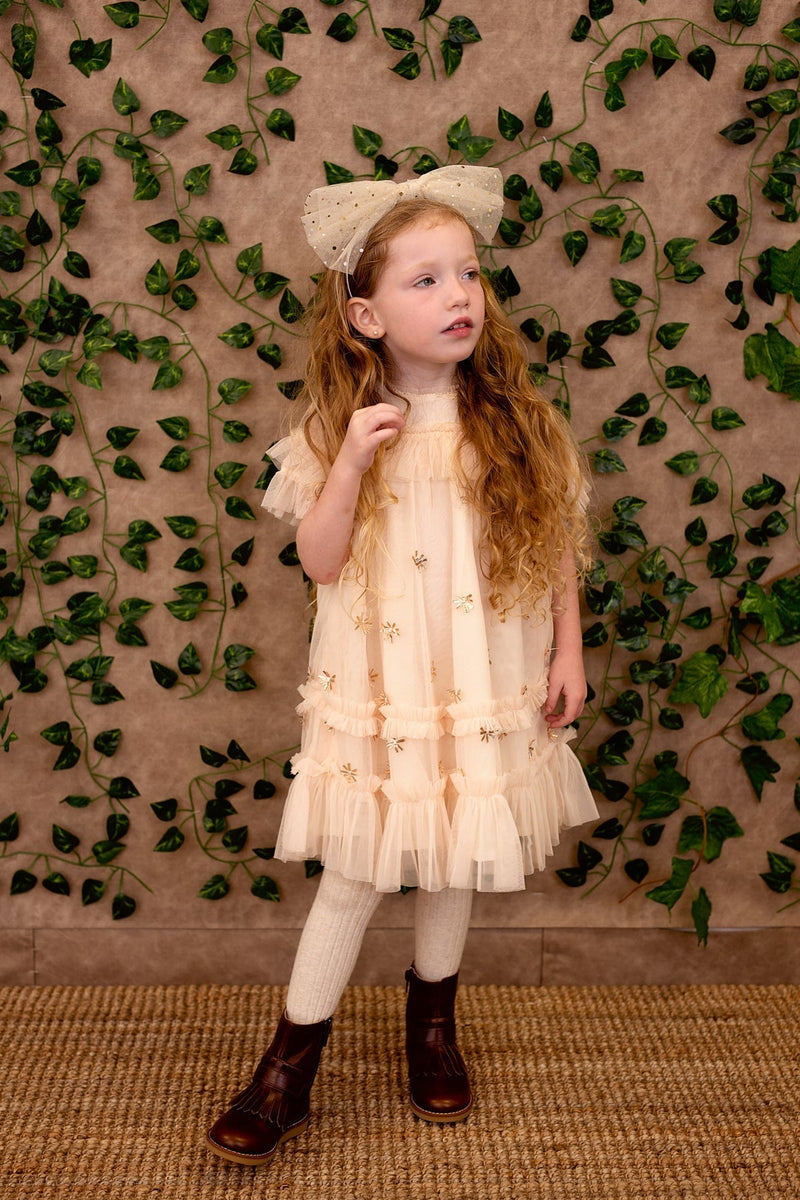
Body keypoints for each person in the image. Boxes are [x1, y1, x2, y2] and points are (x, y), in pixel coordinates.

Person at [206, 164, 598, 1167]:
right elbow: (321, 560)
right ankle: (287, 1068)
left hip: (483, 669)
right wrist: (348, 462)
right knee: (356, 869)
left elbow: (554, 538)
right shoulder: (336, 431)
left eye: (466, 274)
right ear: (367, 316)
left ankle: (432, 1030)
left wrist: (567, 648)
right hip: (385, 682)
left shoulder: (513, 418)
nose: (458, 295)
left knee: (455, 847)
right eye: (425, 280)